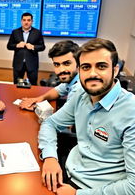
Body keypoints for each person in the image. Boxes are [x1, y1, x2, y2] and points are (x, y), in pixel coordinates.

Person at [38, 38, 135, 195]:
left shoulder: (131, 112)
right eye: (86, 67)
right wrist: (50, 157)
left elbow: (132, 186)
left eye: (101, 66)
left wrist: (78, 194)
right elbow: (50, 123)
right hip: (68, 171)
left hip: (96, 189)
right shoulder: (81, 94)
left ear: (115, 70)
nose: (92, 74)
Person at [20, 40, 80, 111]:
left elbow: (63, 120)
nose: (61, 70)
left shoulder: (79, 89)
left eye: (67, 63)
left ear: (78, 64)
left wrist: (37, 109)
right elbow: (58, 91)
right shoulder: (72, 80)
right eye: (57, 64)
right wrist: (40, 98)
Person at [7, 12, 45, 85]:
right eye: (24, 20)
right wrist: (17, 45)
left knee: (33, 85)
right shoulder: (15, 32)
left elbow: (42, 47)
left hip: (32, 64)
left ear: (32, 21)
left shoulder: (37, 32)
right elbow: (9, 46)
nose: (26, 22)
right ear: (21, 21)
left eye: (28, 20)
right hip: (18, 64)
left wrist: (33, 47)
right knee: (17, 84)